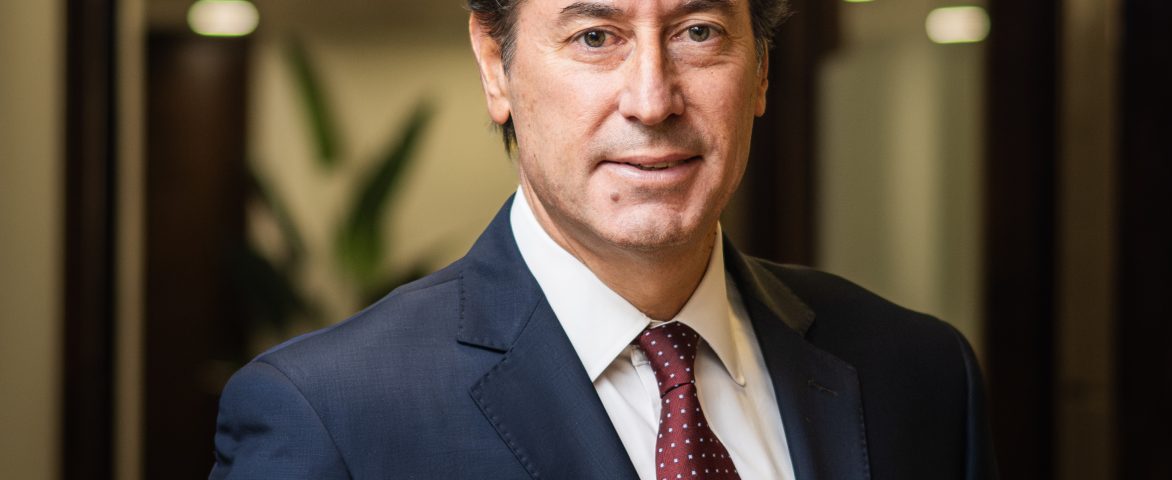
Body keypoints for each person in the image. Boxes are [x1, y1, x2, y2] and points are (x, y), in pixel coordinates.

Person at [210, 0, 998, 478]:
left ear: (760, 69)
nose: (652, 99)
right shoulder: (331, 416)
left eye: (698, 31)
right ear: (495, 64)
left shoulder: (920, 374)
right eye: (595, 36)